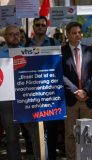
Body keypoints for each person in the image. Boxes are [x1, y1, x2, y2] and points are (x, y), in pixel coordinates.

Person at [24, 16, 61, 160]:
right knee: (35, 131)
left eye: (43, 25)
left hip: (51, 94)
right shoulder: (25, 45)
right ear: (33, 27)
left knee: (51, 130)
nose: (40, 27)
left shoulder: (54, 43)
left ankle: (51, 156)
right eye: (37, 25)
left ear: (47, 27)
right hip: (32, 95)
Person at [62, 21, 92, 160]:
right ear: (67, 35)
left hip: (87, 98)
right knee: (71, 134)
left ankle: (86, 157)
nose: (77, 35)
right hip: (70, 99)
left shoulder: (91, 51)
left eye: (79, 32)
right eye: (74, 33)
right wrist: (74, 90)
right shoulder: (61, 52)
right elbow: (60, 74)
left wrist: (85, 91)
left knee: (86, 132)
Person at [0, 25, 22, 160]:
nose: (15, 37)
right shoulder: (0, 54)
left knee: (35, 134)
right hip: (7, 100)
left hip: (26, 98)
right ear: (5, 37)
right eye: (11, 34)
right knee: (12, 136)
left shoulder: (29, 51)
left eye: (17, 34)